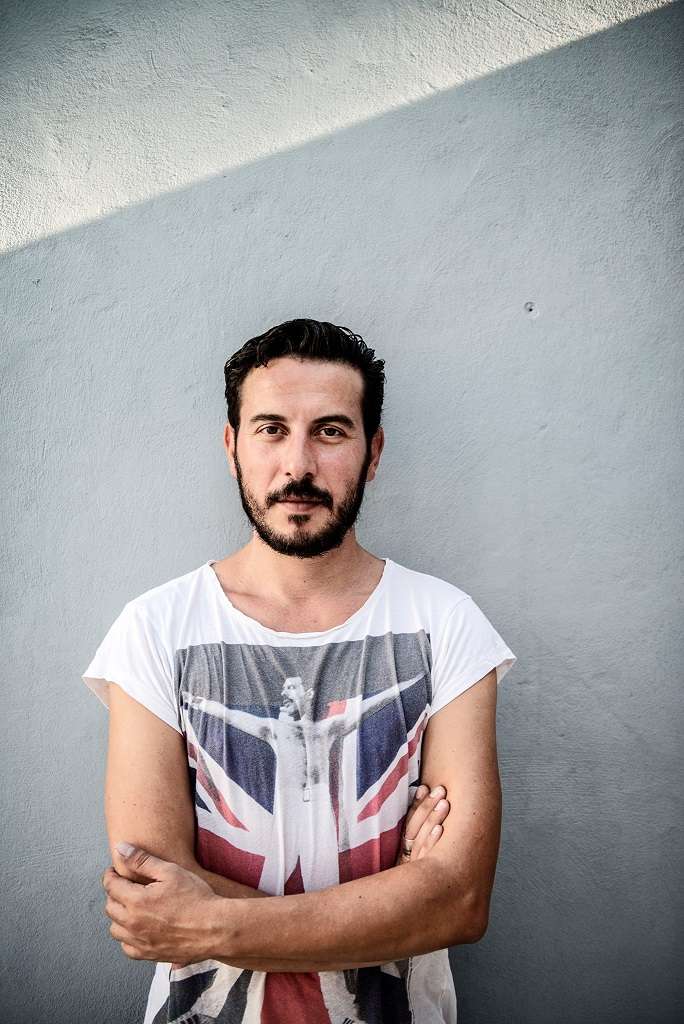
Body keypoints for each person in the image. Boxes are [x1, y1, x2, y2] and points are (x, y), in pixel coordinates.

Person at [81, 318, 517, 1023]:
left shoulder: (446, 623)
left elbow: (459, 902)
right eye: (271, 429)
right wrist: (399, 898)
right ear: (233, 447)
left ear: (373, 452)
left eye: (331, 431)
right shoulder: (156, 629)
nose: (299, 465)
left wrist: (209, 920)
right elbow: (154, 901)